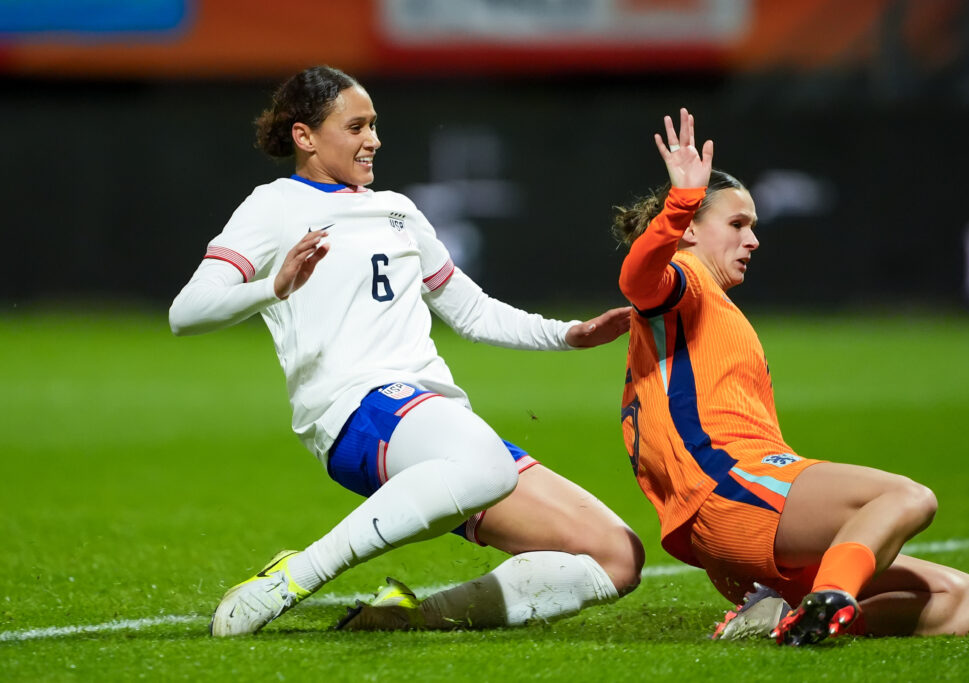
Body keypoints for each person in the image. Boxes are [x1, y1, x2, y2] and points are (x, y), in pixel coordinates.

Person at [169, 65, 643, 637]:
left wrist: (567, 334)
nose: (373, 140)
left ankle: (404, 618)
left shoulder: (397, 210)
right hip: (355, 409)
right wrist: (273, 286)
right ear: (305, 136)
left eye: (374, 125)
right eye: (356, 127)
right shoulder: (274, 206)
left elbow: (471, 311)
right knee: (487, 463)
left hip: (433, 420)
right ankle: (294, 575)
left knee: (616, 556)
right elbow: (186, 313)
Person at [613, 108, 969, 645]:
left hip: (754, 507)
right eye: (737, 224)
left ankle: (794, 621)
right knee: (906, 498)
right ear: (691, 230)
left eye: (753, 227)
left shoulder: (705, 307)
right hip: (733, 492)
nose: (753, 241)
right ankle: (831, 596)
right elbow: (637, 277)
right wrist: (679, 202)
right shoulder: (685, 283)